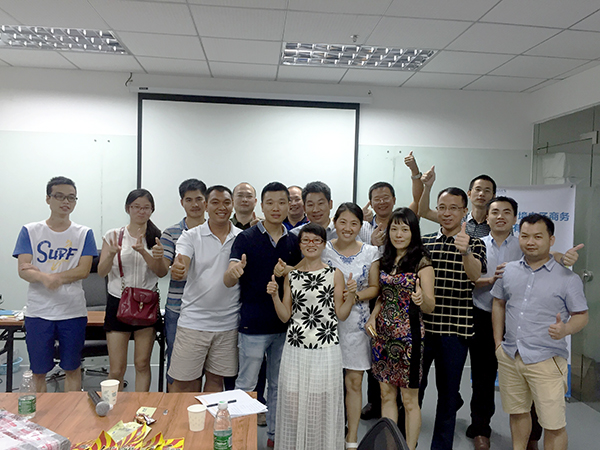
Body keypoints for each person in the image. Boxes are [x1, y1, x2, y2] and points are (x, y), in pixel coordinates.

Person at [491, 214, 588, 450]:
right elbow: (499, 303)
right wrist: (498, 343)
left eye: (538, 237)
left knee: (553, 424)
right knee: (517, 412)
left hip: (546, 358)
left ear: (551, 240)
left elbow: (582, 315)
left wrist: (565, 329)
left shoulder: (568, 278)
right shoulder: (508, 270)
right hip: (511, 354)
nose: (530, 242)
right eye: (525, 236)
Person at [224, 182, 302, 448]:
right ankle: (240, 439)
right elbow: (230, 274)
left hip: (284, 326)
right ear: (262, 205)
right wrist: (233, 272)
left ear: (289, 205)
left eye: (282, 202)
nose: (276, 208)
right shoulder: (246, 238)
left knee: (278, 385)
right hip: (253, 325)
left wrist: (289, 271)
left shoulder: (294, 241)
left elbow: (302, 275)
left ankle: (274, 437)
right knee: (246, 384)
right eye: (270, 203)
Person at [268, 223, 354, 450]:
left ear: (324, 245)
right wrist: (275, 296)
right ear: (300, 245)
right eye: (306, 240)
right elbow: (285, 316)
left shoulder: (334, 274)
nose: (311, 244)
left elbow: (341, 314)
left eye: (316, 240)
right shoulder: (292, 276)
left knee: (320, 404)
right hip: (296, 348)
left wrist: (352, 296)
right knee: (293, 402)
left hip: (325, 349)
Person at [13, 176, 97, 392]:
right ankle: (41, 412)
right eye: (59, 196)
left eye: (71, 197)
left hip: (72, 311)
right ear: (48, 199)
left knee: (72, 368)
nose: (65, 202)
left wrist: (50, 276)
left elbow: (84, 270)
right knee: (39, 371)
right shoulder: (30, 231)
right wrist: (45, 278)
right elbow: (23, 269)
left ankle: (71, 411)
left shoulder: (83, 233)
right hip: (39, 312)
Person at [419, 187, 487, 450]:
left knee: (448, 395)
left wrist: (465, 251)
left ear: (464, 211)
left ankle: (441, 446)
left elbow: (475, 276)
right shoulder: (424, 242)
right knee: (415, 389)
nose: (447, 213)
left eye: (454, 208)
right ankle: (407, 441)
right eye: (442, 207)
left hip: (455, 330)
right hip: (423, 328)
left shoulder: (476, 243)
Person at [365, 208, 435, 450]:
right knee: (386, 395)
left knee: (409, 399)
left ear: (413, 232)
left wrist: (421, 299)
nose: (398, 234)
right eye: (394, 229)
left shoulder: (422, 261)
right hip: (382, 338)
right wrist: (373, 316)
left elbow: (431, 305)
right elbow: (383, 296)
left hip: (409, 339)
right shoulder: (385, 260)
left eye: (404, 229)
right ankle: (390, 445)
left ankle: (410, 447)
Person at [168, 185, 241, 393]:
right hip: (194, 322)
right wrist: (179, 269)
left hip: (227, 324)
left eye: (226, 202)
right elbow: (182, 261)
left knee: (216, 383)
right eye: (215, 202)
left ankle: (210, 417)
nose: (221, 207)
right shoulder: (190, 236)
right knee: (184, 383)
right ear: (206, 206)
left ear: (232, 205)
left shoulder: (242, 237)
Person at [321, 203, 380, 448]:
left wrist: (353, 296)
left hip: (356, 325)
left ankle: (352, 438)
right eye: (343, 222)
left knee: (354, 383)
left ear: (360, 226)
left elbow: (375, 288)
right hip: (326, 325)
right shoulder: (323, 248)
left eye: (354, 223)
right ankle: (330, 432)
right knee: (328, 385)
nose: (348, 228)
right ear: (334, 222)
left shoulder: (370, 251)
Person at [97, 188, 164, 392]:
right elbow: (101, 272)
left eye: (146, 208)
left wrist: (145, 252)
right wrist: (110, 254)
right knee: (117, 368)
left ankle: (141, 406)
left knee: (142, 363)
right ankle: (112, 406)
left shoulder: (157, 238)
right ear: (128, 208)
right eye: (136, 207)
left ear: (152, 210)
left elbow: (161, 272)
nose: (141, 211)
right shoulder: (113, 235)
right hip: (118, 301)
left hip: (147, 303)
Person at [153, 178, 207, 388]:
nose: (195, 204)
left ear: (206, 201)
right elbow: (162, 270)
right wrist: (160, 259)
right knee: (177, 365)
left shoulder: (218, 230)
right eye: (189, 200)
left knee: (209, 367)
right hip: (178, 308)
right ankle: (174, 406)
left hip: (211, 309)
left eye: (199, 199)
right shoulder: (171, 232)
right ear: (182, 202)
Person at [419, 169, 496, 238]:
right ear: (469, 194)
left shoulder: (495, 224)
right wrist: (427, 187)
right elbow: (424, 212)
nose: (481, 194)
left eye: (487, 191)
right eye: (478, 189)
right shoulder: (457, 217)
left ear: (493, 196)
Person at [292, 181, 371, 243]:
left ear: (330, 204)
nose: (316, 210)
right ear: (304, 208)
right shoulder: (295, 235)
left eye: (320, 203)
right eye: (310, 205)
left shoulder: (346, 230)